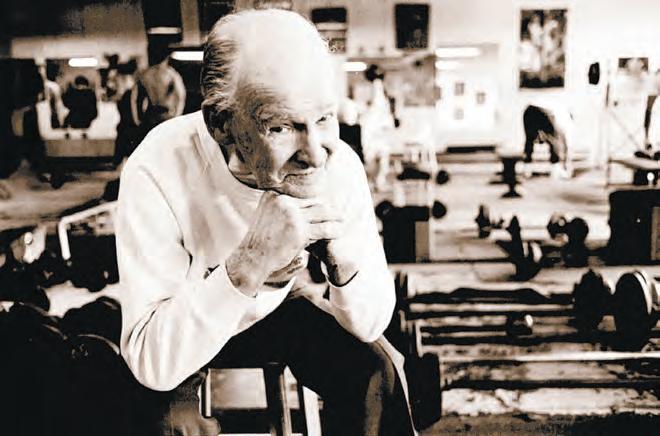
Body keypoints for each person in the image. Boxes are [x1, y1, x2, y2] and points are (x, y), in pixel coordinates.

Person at [116, 8, 415, 436]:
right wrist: (250, 263)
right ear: (221, 125)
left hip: (274, 308)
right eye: (280, 127)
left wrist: (343, 262)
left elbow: (370, 323)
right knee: (164, 423)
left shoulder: (337, 165)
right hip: (179, 315)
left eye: (324, 119)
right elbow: (153, 361)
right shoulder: (158, 165)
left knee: (376, 372)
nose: (315, 153)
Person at [521, 100, 574, 178]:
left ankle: (526, 169)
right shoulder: (566, 122)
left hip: (529, 109)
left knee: (529, 139)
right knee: (553, 140)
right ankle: (556, 171)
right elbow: (567, 145)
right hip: (544, 111)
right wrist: (567, 165)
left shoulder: (561, 110)